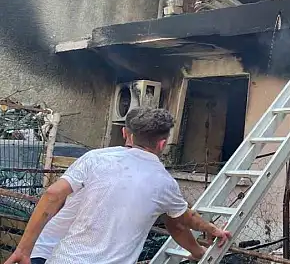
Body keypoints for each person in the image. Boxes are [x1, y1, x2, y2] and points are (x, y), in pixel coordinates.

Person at [4, 108, 231, 264]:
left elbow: (53, 194)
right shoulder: (165, 184)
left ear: (126, 134)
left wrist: (23, 249)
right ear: (162, 143)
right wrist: (208, 237)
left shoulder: (95, 158)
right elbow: (181, 223)